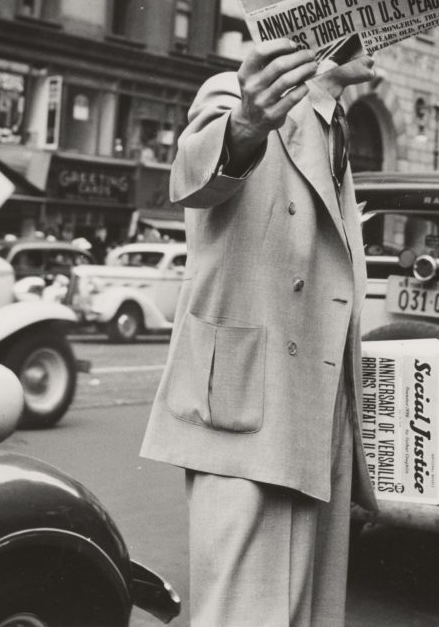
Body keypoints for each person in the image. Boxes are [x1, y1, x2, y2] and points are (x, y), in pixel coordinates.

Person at [140, 38, 379, 627]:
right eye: (366, 25)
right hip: (247, 415)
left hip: (316, 420)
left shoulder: (333, 122)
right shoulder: (238, 92)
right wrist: (246, 122)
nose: (379, 45)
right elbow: (193, 176)